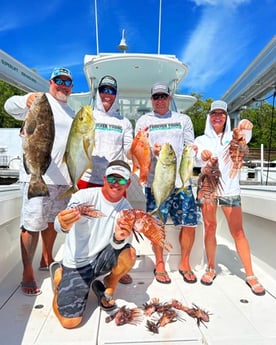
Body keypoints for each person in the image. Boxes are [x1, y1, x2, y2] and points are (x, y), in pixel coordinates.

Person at [4, 67, 74, 296]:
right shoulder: (39, 102)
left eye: (67, 82)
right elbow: (8, 106)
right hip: (37, 175)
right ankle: (27, 271)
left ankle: (47, 257)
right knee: (32, 224)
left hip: (63, 179)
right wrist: (26, 99)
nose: (63, 85)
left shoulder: (72, 113)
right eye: (58, 81)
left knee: (52, 223)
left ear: (72, 87)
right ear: (50, 82)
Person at [51, 160, 136, 329]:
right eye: (112, 178)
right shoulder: (83, 196)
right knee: (70, 322)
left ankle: (109, 285)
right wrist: (63, 223)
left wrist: (119, 239)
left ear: (128, 184)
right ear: (104, 179)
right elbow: (61, 225)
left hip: (101, 259)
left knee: (130, 253)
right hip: (78, 264)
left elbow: (120, 244)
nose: (115, 183)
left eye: (121, 180)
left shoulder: (126, 206)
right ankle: (60, 278)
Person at [194, 100, 265, 295]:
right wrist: (204, 155)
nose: (218, 116)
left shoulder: (234, 136)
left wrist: (246, 125)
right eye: (214, 113)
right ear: (209, 117)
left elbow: (244, 134)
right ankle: (210, 267)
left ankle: (250, 274)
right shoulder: (201, 139)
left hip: (231, 189)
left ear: (226, 118)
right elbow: (196, 157)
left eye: (222, 114)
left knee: (238, 231)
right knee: (210, 227)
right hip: (208, 186)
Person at [134, 82, 198, 284]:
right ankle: (160, 263)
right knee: (156, 225)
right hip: (156, 182)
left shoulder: (183, 119)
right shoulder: (144, 120)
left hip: (181, 182)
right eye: (156, 97)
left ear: (169, 98)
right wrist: (149, 150)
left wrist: (195, 172)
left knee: (189, 223)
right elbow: (138, 147)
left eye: (163, 96)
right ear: (151, 99)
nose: (160, 100)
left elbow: (191, 149)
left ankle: (185, 263)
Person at [77, 75, 134, 285]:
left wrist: (139, 145)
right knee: (86, 222)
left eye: (111, 90)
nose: (107, 94)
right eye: (103, 90)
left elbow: (128, 149)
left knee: (118, 223)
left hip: (115, 180)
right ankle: (84, 262)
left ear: (116, 95)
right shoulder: (88, 115)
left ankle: (116, 265)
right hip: (87, 176)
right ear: (97, 92)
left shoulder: (124, 122)